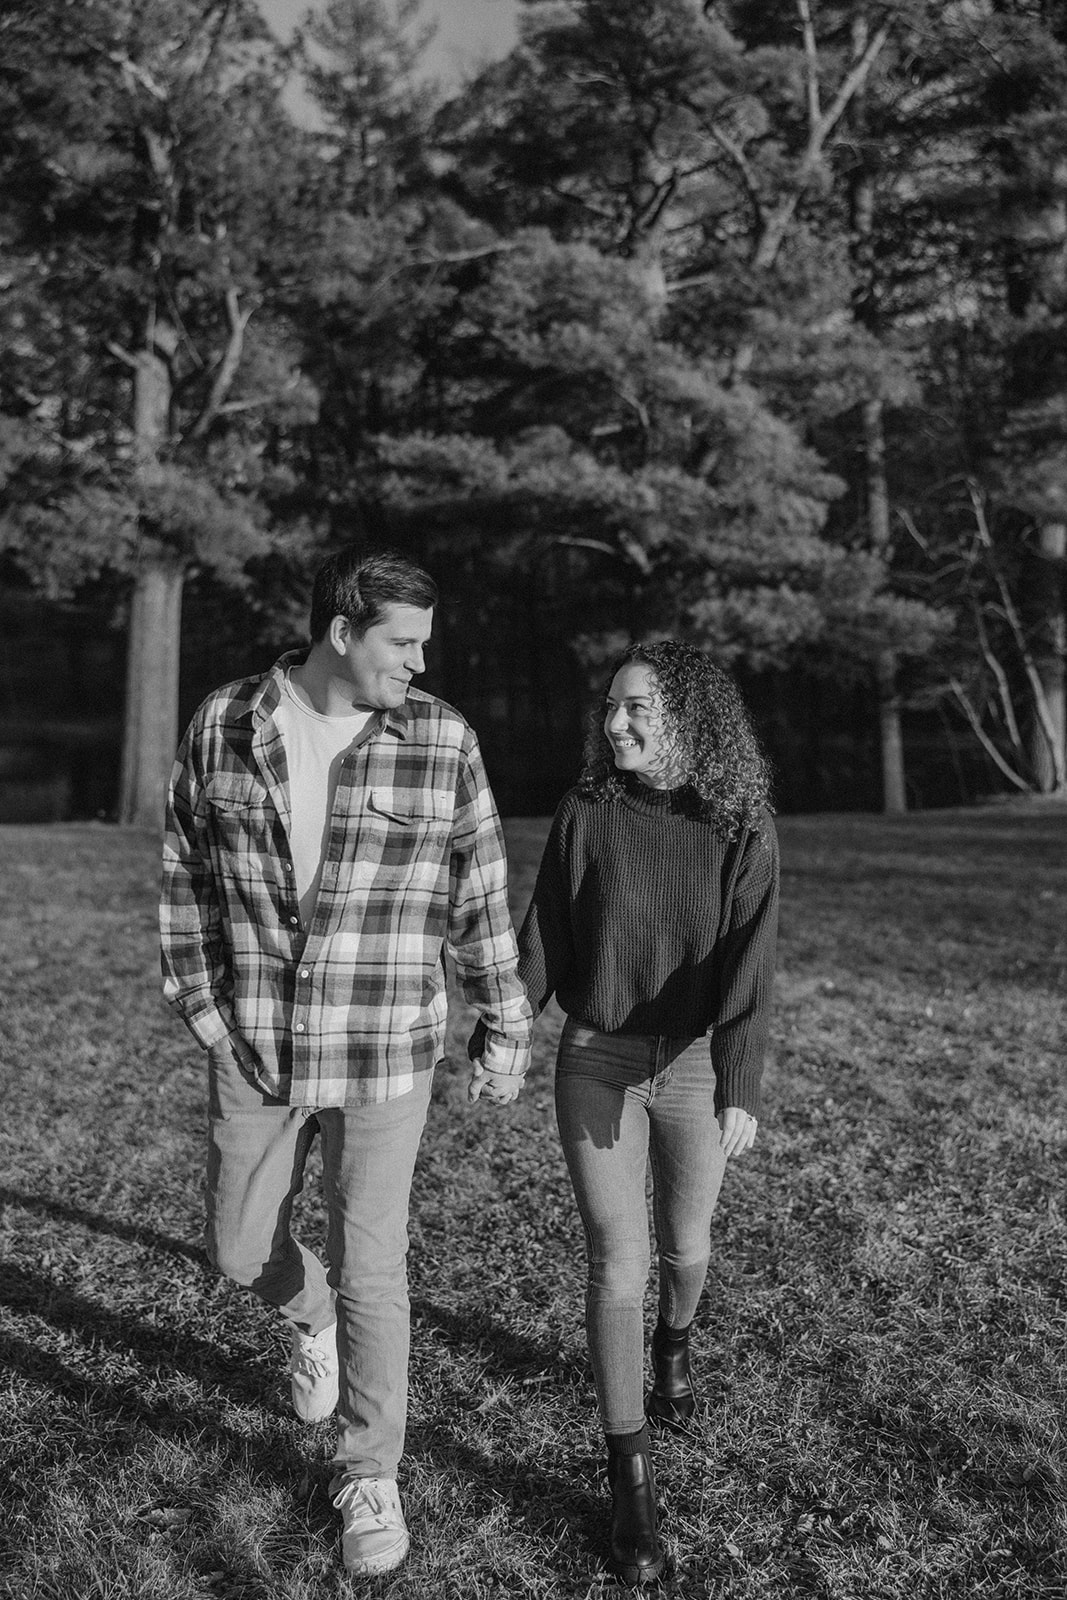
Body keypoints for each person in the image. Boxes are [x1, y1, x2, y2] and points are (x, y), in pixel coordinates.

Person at [160, 547, 531, 1579]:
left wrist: (502, 1021)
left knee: (375, 1263)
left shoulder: (441, 738)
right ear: (340, 631)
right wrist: (201, 1009)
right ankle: (306, 1313)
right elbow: (183, 865)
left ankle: (369, 1469)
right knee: (237, 1247)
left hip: (383, 1049)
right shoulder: (226, 723)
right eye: (400, 643)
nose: (417, 662)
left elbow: (479, 892)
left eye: (424, 643)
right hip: (259, 1042)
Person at [473, 639, 778, 1587]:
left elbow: (749, 971)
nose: (616, 725)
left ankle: (673, 1343)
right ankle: (629, 1482)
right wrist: (506, 1031)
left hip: (689, 1063)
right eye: (610, 708)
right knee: (618, 1262)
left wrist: (736, 1082)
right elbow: (546, 938)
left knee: (687, 1251)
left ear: (691, 717)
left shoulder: (739, 824)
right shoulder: (588, 810)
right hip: (596, 1054)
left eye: (638, 709)